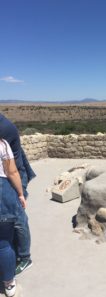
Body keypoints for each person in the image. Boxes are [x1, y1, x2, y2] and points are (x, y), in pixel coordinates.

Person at [0, 115, 32, 275]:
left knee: (18, 219)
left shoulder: (4, 128)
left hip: (14, 177)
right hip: (8, 176)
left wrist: (20, 192)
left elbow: (11, 170)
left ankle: (25, 257)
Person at [0, 138, 24, 296]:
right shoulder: (2, 144)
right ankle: (8, 282)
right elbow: (12, 172)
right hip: (2, 194)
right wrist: (21, 194)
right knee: (4, 243)